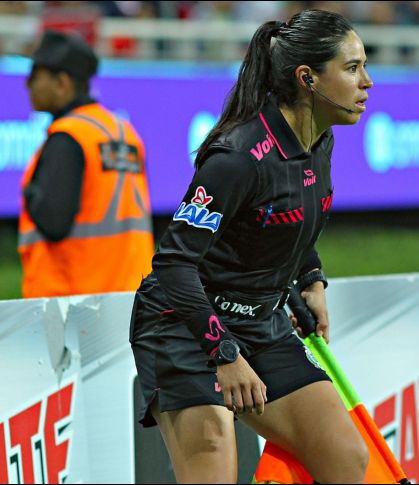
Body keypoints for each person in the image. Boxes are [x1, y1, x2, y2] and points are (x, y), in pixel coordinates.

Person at [129, 9, 374, 484]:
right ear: (308, 79)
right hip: (183, 327)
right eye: (351, 68)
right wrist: (224, 354)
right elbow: (174, 264)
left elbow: (292, 219)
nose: (367, 82)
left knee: (347, 459)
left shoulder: (318, 141)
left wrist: (310, 279)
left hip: (261, 324)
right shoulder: (237, 158)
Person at [18, 30, 154, 298]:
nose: (28, 85)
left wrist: (30, 193)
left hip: (73, 304)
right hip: (129, 297)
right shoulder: (123, 131)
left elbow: (54, 222)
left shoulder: (69, 136)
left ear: (62, 83)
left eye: (35, 76)